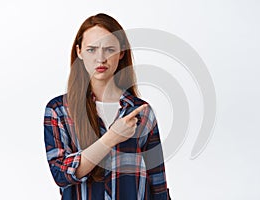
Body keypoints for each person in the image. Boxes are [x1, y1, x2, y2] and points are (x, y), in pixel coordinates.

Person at [43, 13, 171, 200]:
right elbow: (61, 174)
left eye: (109, 49)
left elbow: (158, 182)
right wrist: (110, 138)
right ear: (79, 52)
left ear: (121, 53)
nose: (101, 58)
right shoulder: (59, 110)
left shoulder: (142, 112)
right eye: (92, 50)